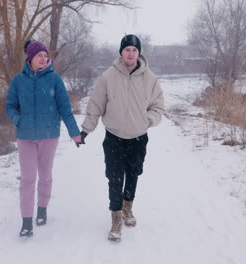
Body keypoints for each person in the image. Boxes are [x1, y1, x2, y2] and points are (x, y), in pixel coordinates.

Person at [80, 34, 165, 242]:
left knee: (133, 174)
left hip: (138, 137)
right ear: (121, 52)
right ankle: (116, 218)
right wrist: (85, 130)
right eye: (127, 49)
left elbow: (158, 106)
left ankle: (128, 208)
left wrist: (147, 121)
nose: (130, 53)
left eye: (134, 50)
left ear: (139, 53)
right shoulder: (108, 76)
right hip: (114, 137)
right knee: (115, 177)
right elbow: (96, 105)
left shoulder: (149, 78)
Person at [6, 40, 83, 237]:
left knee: (45, 176)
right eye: (39, 55)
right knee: (27, 179)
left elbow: (65, 109)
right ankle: (26, 222)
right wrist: (18, 120)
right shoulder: (18, 81)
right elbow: (10, 106)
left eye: (45, 55)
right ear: (29, 57)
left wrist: (75, 133)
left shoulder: (55, 80)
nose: (43, 58)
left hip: (49, 136)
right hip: (26, 137)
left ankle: (42, 209)